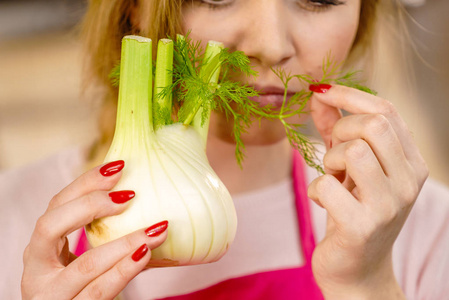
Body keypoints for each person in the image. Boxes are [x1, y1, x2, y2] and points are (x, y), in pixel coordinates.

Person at [1, 0, 448, 299]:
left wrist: (367, 285)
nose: (270, 46)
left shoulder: (420, 225)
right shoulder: (15, 217)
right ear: (136, 7)